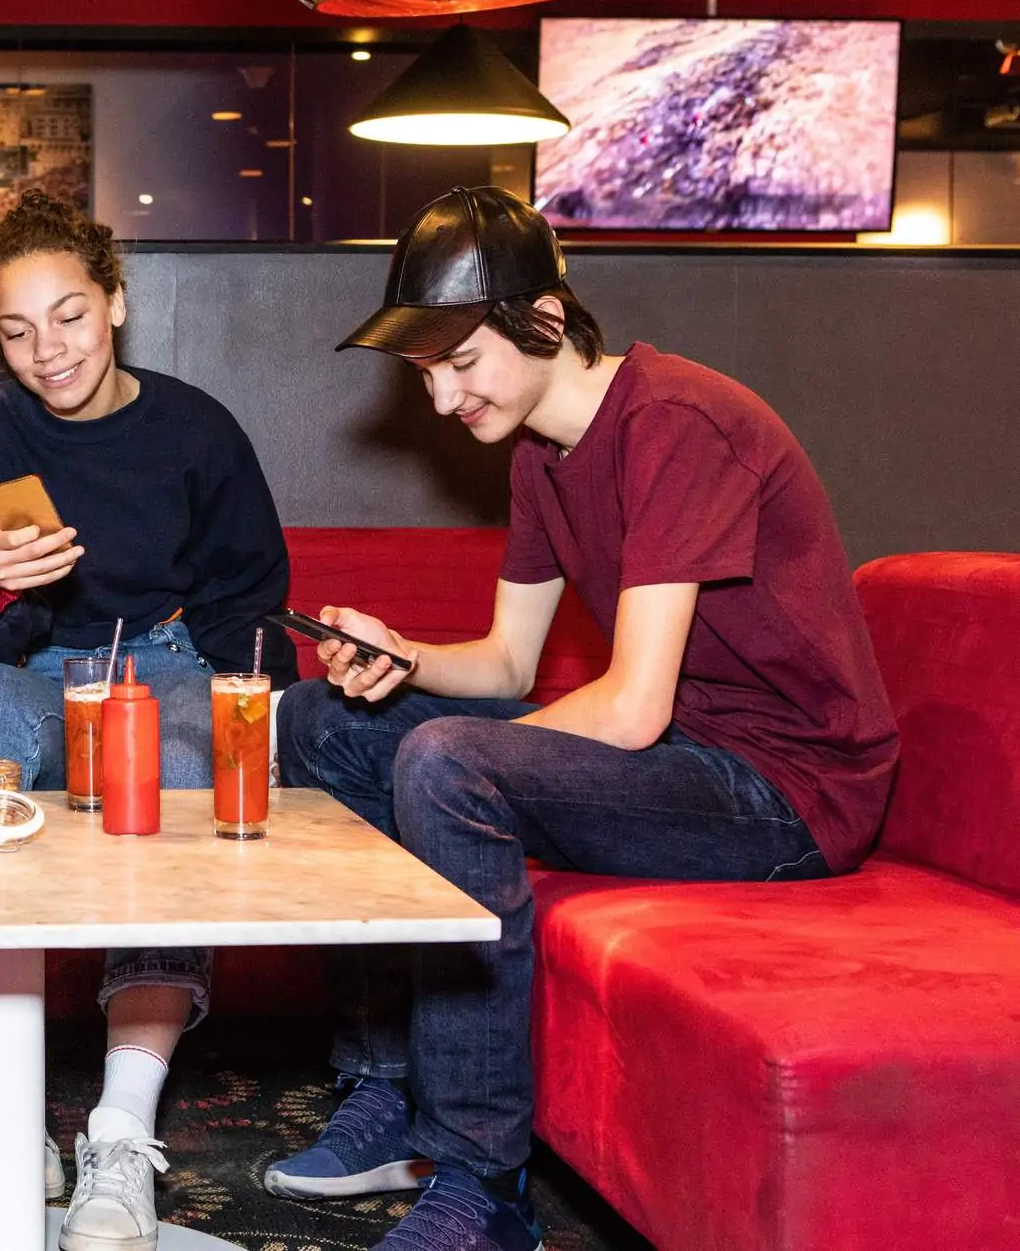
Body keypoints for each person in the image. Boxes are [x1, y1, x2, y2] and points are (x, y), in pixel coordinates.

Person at [264, 187, 899, 1251]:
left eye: (461, 363)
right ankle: (389, 1086)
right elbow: (510, 659)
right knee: (319, 720)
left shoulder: (675, 423)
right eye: (425, 372)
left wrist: (469, 749)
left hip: (789, 789)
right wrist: (405, 656)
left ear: (545, 323)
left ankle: (480, 1184)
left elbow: (636, 704)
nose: (440, 400)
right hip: (689, 756)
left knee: (445, 763)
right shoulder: (539, 458)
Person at [0, 189, 297, 1251]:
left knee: (176, 763)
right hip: (28, 664)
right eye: (18, 328)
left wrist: (273, 721)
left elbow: (247, 599)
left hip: (164, 660)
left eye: (71, 315)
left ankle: (122, 1131)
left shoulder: (194, 426)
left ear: (117, 302)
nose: (49, 350)